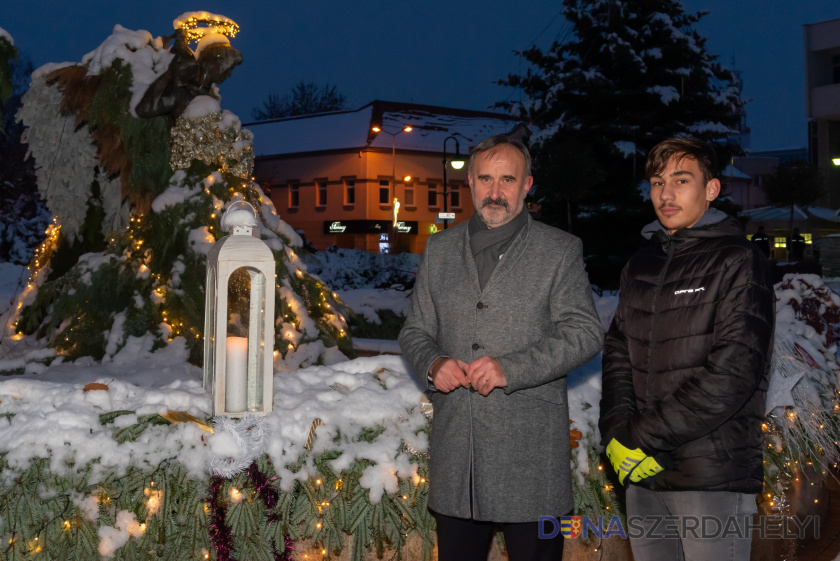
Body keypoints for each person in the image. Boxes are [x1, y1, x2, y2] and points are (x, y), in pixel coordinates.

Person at [399, 135, 603, 561]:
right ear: (470, 183)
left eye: (507, 179)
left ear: (527, 185)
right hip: (459, 462)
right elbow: (415, 331)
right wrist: (434, 363)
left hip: (531, 462)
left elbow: (585, 332)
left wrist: (511, 368)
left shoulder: (559, 250)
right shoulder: (439, 249)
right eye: (486, 179)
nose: (495, 192)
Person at [599, 137, 775, 561]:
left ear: (711, 190)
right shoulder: (640, 264)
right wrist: (616, 433)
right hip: (643, 475)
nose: (666, 193)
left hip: (710, 474)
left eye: (681, 180)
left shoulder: (738, 260)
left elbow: (732, 373)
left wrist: (640, 437)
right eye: (657, 182)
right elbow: (618, 351)